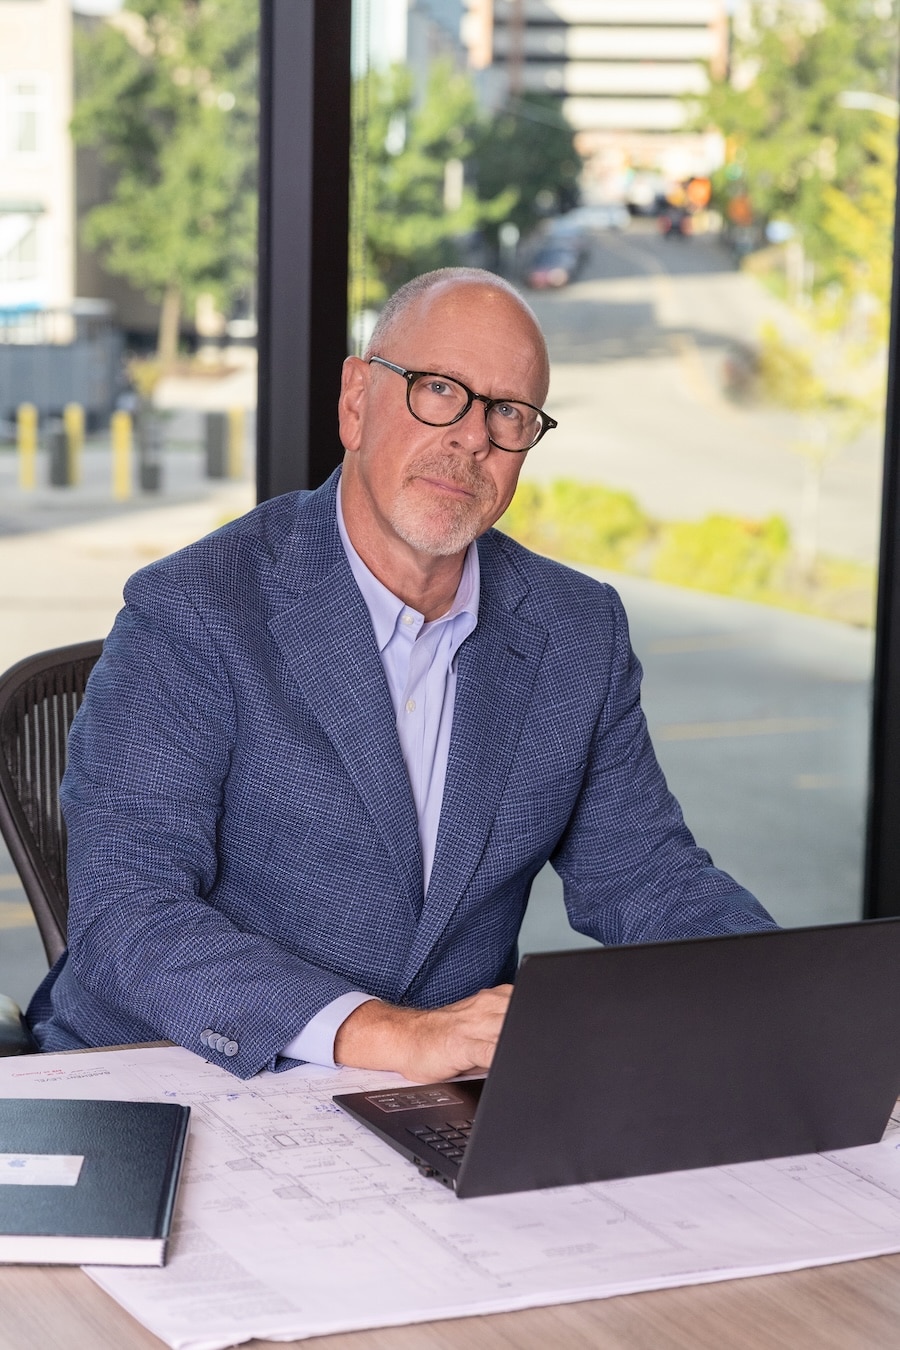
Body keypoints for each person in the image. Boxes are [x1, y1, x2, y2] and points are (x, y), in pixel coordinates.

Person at [28, 268, 777, 1080]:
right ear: (357, 401)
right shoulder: (195, 608)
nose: (471, 438)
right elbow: (129, 916)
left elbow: (647, 877)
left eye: (508, 412)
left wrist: (794, 998)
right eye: (438, 390)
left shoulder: (575, 631)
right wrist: (392, 1036)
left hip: (438, 1100)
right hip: (179, 1072)